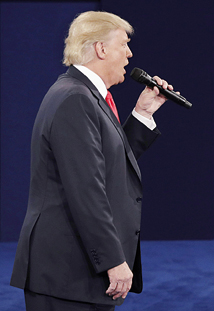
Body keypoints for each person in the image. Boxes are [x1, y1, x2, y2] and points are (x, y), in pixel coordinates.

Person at [10, 11, 176, 310]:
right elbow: (86, 189)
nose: (130, 53)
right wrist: (113, 260)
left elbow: (106, 165)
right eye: (124, 43)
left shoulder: (82, 95)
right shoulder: (75, 98)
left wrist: (143, 114)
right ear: (101, 49)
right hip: (67, 275)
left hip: (74, 274)